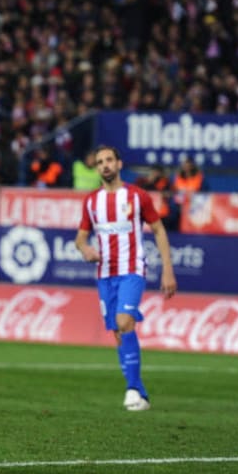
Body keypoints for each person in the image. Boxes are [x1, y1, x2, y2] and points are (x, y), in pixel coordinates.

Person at [75, 145, 177, 412]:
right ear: (96, 168)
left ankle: (132, 390)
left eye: (109, 160)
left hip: (132, 269)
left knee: (124, 321)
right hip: (105, 274)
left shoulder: (137, 196)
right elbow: (80, 237)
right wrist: (85, 250)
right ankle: (140, 392)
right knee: (119, 334)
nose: (105, 165)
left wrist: (167, 269)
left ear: (119, 164)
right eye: (100, 162)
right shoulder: (91, 201)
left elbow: (158, 229)